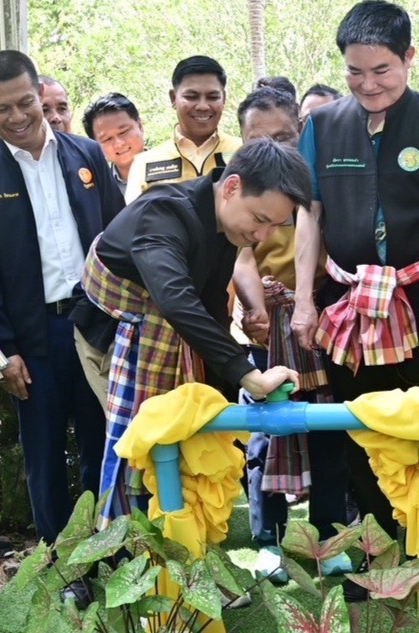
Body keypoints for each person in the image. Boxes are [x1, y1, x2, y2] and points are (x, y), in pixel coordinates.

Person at [293, 0, 419, 551]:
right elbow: (310, 216)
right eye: (355, 71)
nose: (367, 84)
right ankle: (380, 547)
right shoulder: (323, 125)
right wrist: (306, 301)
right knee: (359, 426)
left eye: (381, 70)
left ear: (409, 58)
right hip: (347, 305)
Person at [74, 139, 308, 524]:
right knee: (140, 449)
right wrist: (248, 375)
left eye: (276, 226)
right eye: (260, 219)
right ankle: (120, 558)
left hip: (167, 340)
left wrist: (233, 378)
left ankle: (176, 549)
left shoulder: (226, 227)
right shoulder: (163, 212)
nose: (264, 236)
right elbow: (176, 299)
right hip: (117, 343)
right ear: (231, 187)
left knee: (176, 449)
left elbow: (210, 302)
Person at [0, 50, 123, 551]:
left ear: (40, 96)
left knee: (105, 446)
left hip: (95, 324)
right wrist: (4, 350)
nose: (17, 116)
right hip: (33, 337)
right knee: (44, 455)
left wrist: (123, 323)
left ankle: (108, 550)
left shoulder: (87, 155)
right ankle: (59, 558)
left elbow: (117, 238)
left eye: (25, 102)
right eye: (1, 108)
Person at [230, 87, 349, 581]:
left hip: (325, 321)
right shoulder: (236, 193)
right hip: (264, 329)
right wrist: (256, 307)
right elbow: (240, 258)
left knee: (329, 432)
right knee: (267, 436)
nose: (275, 148)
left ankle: (329, 535)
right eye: (261, 139)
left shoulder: (319, 185)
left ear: (301, 133)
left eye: (285, 136)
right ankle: (270, 543)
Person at [124, 56, 241, 202]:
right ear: (173, 98)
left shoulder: (245, 152)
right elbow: (135, 222)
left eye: (212, 97)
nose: (203, 106)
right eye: (191, 97)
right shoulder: (145, 164)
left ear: (223, 98)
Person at [82, 93, 146, 195]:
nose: (118, 144)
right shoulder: (100, 191)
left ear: (140, 126)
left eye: (123, 132)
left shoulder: (172, 169)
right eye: (107, 139)